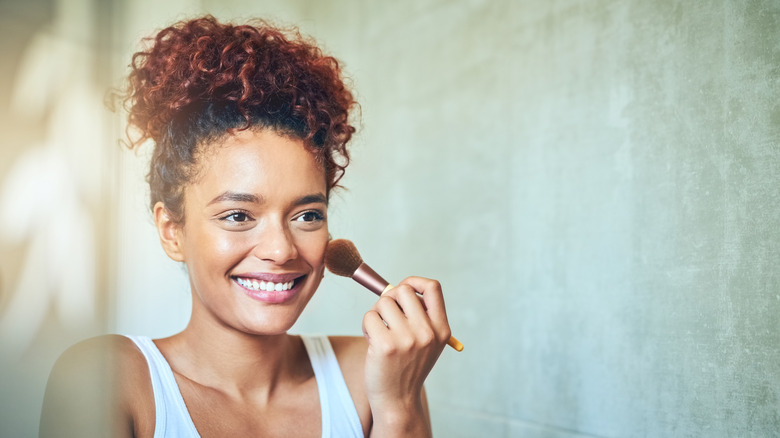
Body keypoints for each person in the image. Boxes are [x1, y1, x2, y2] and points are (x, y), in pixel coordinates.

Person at [39, 15, 451, 438]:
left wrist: (398, 409)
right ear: (171, 230)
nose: (281, 250)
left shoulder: (374, 373)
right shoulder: (104, 381)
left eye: (307, 215)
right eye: (238, 216)